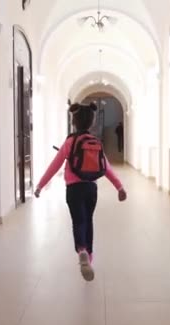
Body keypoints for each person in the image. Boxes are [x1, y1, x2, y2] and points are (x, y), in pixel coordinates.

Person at [34, 102, 127, 281]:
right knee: (89, 220)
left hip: (73, 189)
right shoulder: (96, 142)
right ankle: (89, 258)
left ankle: (82, 250)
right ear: (91, 123)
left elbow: (55, 166)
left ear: (74, 122)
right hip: (91, 188)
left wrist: (39, 185)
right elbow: (106, 167)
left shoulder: (70, 141)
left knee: (78, 221)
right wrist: (119, 187)